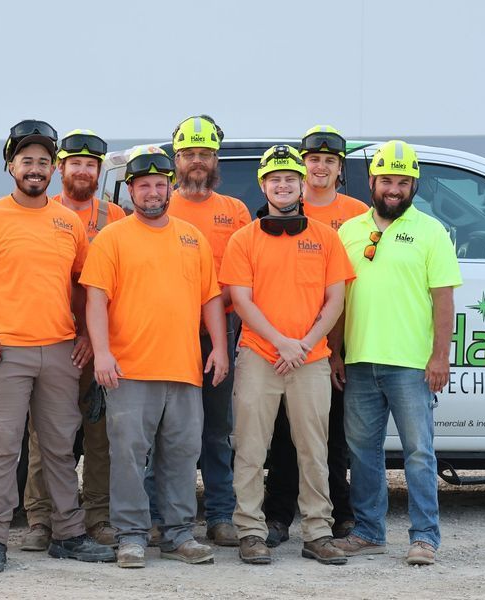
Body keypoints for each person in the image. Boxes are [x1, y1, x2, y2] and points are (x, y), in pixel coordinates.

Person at [0, 119, 115, 573]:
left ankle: (69, 534)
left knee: (60, 447)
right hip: (5, 354)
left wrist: (82, 334)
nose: (35, 169)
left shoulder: (67, 222)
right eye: (27, 161)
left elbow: (83, 283)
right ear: (10, 166)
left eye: (43, 161)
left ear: (52, 169)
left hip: (59, 350)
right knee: (3, 449)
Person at [81, 145, 228, 568]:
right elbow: (95, 300)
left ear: (170, 188)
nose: (151, 192)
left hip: (183, 368)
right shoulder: (113, 237)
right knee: (127, 456)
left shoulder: (191, 237)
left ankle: (180, 533)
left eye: (159, 185)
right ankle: (131, 535)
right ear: (130, 190)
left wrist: (219, 347)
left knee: (182, 454)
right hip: (128, 370)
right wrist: (103, 355)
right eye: (143, 185)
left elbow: (211, 299)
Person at [220, 145, 354, 565]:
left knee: (314, 447)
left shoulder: (326, 238)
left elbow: (336, 298)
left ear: (301, 186)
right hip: (260, 355)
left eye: (290, 179)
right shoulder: (244, 238)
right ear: (263, 185)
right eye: (275, 179)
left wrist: (306, 343)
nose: (283, 185)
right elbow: (241, 300)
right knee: (251, 448)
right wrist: (281, 342)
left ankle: (317, 531)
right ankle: (250, 531)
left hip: (310, 358)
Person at [334, 140, 462, 566]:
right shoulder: (350, 231)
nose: (394, 189)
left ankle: (424, 537)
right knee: (363, 452)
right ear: (372, 181)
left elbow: (443, 301)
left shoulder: (431, 231)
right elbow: (339, 298)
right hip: (359, 361)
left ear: (413, 185)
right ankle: (369, 532)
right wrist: (336, 353)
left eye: (402, 182)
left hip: (411, 364)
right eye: (386, 180)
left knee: (419, 452)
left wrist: (439, 356)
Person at [263, 126, 368, 546]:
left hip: (339, 338)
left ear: (340, 168)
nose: (320, 166)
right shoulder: (283, 207)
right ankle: (278, 515)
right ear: (301, 168)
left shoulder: (358, 212)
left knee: (332, 434)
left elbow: (344, 288)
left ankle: (340, 513)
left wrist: (335, 349)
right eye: (314, 160)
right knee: (286, 437)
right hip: (287, 343)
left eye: (330, 160)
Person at [22, 129, 125, 551]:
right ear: (60, 168)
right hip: (49, 342)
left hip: (98, 344)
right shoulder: (39, 210)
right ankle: (40, 518)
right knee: (44, 436)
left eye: (90, 165)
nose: (82, 171)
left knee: (100, 435)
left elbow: (118, 283)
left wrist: (92, 337)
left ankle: (98, 515)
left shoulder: (116, 218)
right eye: (75, 163)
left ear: (99, 172)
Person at [161, 115, 250, 546]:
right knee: (165, 429)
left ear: (216, 159)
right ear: (176, 160)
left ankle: (219, 516)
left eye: (205, 154)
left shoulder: (234, 211)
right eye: (189, 154)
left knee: (217, 429)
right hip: (166, 333)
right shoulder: (160, 205)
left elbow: (245, 275)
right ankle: (162, 516)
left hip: (222, 333)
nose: (197, 162)